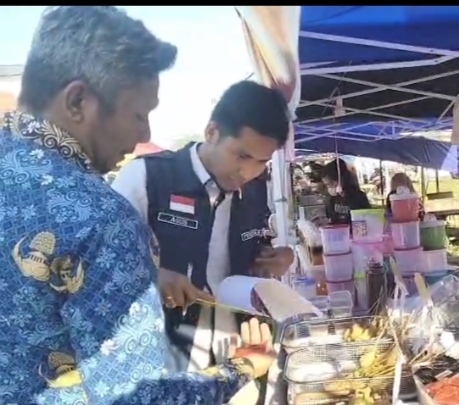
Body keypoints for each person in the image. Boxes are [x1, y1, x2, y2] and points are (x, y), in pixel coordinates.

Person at [0, 6, 274, 404]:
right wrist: (242, 368)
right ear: (77, 101)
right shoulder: (101, 218)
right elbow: (140, 397)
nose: (145, 133)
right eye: (139, 114)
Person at [112, 80, 294, 375]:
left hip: (237, 345)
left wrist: (278, 258)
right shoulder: (147, 177)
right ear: (212, 133)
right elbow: (102, 263)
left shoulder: (257, 189)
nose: (247, 171)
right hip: (162, 350)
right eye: (242, 155)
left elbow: (255, 247)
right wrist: (153, 276)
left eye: (261, 161)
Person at [321, 158, 371, 225]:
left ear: (341, 179)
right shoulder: (331, 199)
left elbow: (366, 219)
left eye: (331, 184)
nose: (329, 187)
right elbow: (329, 218)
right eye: (327, 185)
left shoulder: (359, 197)